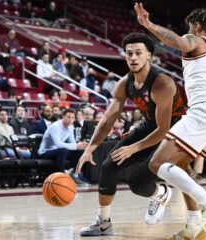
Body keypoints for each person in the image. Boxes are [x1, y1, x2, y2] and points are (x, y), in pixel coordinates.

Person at [134, 4, 206, 238]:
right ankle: (195, 223)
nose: (187, 31)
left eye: (190, 26)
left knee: (157, 163)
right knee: (180, 165)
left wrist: (148, 25)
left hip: (205, 110)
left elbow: (180, 43)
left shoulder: (196, 40)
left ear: (197, 25)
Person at [75, 33, 188, 236]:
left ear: (149, 56)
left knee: (137, 183)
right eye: (129, 54)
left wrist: (134, 148)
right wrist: (90, 149)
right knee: (109, 167)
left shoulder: (163, 83)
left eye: (138, 53)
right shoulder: (124, 83)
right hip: (149, 126)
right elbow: (107, 120)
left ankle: (161, 193)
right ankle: (103, 222)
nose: (133, 58)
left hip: (175, 132)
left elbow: (163, 129)